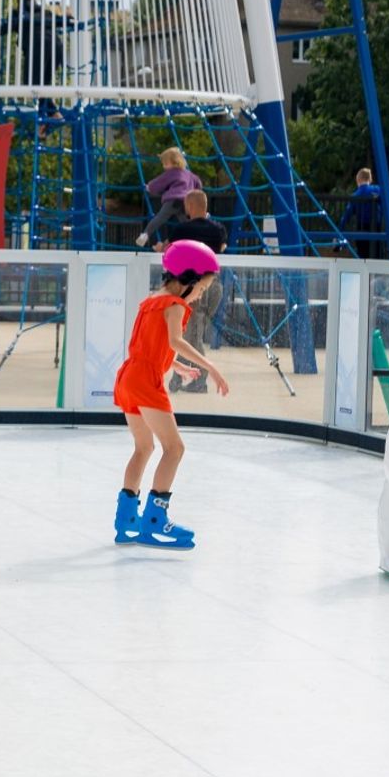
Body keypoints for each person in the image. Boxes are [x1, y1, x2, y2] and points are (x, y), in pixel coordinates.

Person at [112, 239, 230, 549]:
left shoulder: (151, 300)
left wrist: (176, 366)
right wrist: (210, 367)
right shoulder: (175, 304)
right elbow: (176, 340)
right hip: (145, 382)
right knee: (174, 448)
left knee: (143, 448)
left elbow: (151, 345)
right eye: (202, 288)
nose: (200, 295)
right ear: (189, 278)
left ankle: (126, 521)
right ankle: (154, 521)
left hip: (128, 377)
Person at [161, 190, 228, 392]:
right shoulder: (218, 229)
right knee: (191, 333)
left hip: (193, 286)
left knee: (190, 335)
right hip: (214, 286)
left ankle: (199, 380)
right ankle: (180, 378)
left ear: (189, 206)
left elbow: (169, 249)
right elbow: (222, 248)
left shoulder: (182, 230)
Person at [339, 167, 389, 259]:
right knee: (377, 255)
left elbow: (346, 216)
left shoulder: (355, 196)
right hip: (376, 228)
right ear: (370, 179)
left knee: (362, 256)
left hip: (361, 229)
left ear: (358, 180)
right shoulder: (376, 190)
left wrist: (339, 231)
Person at [135, 146, 200, 247]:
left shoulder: (172, 172)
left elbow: (160, 181)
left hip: (173, 201)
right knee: (186, 222)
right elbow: (198, 183)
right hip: (185, 202)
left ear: (175, 163)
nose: (164, 167)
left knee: (160, 218)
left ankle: (145, 234)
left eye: (166, 164)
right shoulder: (189, 174)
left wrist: (149, 187)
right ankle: (196, 237)